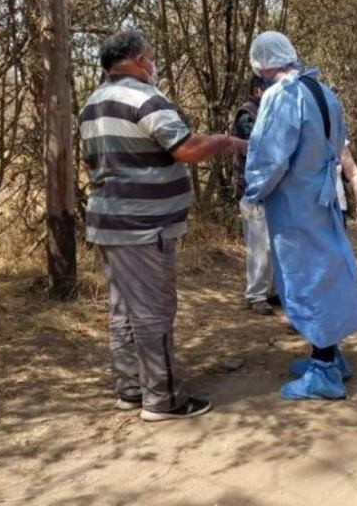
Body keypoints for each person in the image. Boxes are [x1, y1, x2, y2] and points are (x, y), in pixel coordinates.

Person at [80, 29, 247, 421]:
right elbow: (186, 149)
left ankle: (131, 388)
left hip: (108, 223)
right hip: (142, 226)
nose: (154, 64)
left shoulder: (93, 103)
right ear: (139, 59)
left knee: (123, 310)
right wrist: (224, 141)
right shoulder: (145, 98)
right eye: (151, 57)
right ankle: (164, 398)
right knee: (154, 311)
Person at [243, 31, 357, 400]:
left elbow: (270, 156)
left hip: (296, 203)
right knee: (328, 273)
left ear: (263, 62)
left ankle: (324, 369)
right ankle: (330, 355)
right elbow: (336, 145)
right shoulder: (321, 91)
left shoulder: (281, 97)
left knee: (310, 280)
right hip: (320, 197)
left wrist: (253, 192)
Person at [232, 75, 277, 315]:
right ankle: (256, 294)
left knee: (274, 244)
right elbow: (256, 148)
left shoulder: (269, 112)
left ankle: (272, 291)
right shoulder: (247, 114)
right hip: (253, 191)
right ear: (259, 90)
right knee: (261, 246)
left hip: (271, 190)